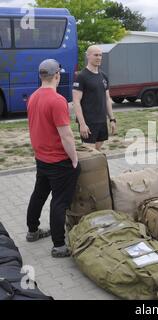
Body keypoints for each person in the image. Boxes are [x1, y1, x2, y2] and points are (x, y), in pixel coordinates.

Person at [26, 59, 80, 258]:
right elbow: (66, 135)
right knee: (59, 201)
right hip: (58, 161)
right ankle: (59, 245)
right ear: (57, 75)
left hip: (42, 158)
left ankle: (32, 231)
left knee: (39, 194)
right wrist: (74, 159)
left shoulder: (33, 97)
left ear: (41, 76)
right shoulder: (57, 100)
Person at [72, 45, 116, 151]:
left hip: (101, 121)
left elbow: (107, 99)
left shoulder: (103, 76)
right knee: (90, 153)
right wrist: (82, 124)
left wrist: (112, 119)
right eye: (96, 55)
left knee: (98, 150)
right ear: (88, 56)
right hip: (88, 122)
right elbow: (76, 102)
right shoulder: (81, 77)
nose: (99, 57)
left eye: (100, 55)